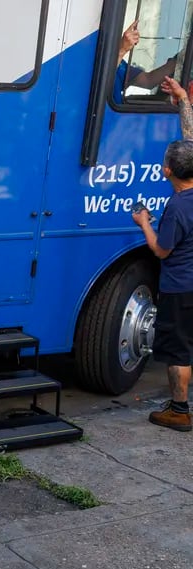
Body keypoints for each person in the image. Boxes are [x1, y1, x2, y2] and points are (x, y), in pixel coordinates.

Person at [132, 138, 193, 432]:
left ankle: (179, 411)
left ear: (167, 170)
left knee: (178, 350)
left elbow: (161, 250)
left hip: (180, 287)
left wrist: (144, 222)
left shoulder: (177, 206)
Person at [115, 20, 179, 101]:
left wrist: (180, 58)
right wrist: (122, 50)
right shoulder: (98, 57)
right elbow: (98, 86)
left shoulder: (120, 65)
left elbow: (147, 81)